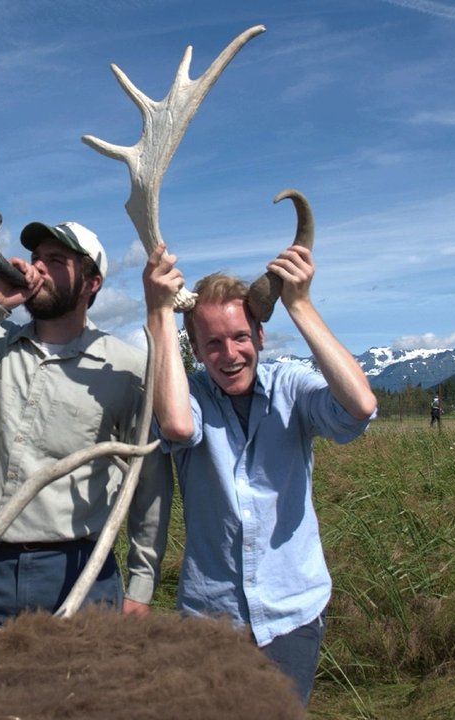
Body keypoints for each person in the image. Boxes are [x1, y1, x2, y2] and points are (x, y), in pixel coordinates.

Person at [143, 242, 377, 706]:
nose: (229, 354)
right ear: (195, 350)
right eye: (212, 343)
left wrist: (300, 305)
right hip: (211, 619)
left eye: (240, 337)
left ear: (261, 337)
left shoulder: (291, 386)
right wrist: (160, 317)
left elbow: (360, 408)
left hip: (291, 614)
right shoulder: (187, 396)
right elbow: (175, 425)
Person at [0, 220, 173, 627]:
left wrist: (141, 583)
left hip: (79, 575)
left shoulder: (126, 368)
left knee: (82, 692)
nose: (36, 268)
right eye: (36, 258)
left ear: (91, 283)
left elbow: (149, 481)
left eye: (56, 260)